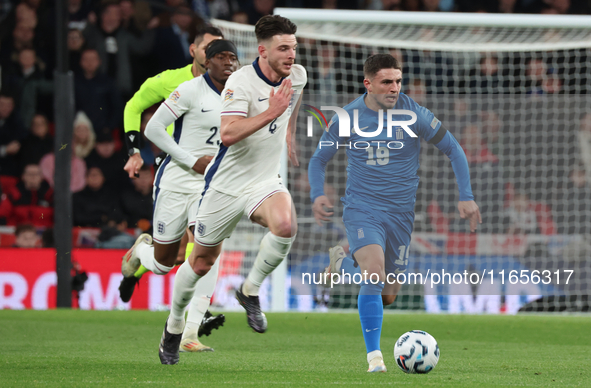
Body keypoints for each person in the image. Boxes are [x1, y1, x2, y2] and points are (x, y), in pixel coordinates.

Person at [308, 54, 481, 372]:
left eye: (398, 81)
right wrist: (318, 194)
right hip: (363, 209)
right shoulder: (347, 117)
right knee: (373, 274)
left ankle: (340, 261)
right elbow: (319, 159)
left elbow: (453, 149)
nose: (395, 88)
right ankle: (375, 359)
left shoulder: (415, 113)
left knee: (388, 295)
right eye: (387, 82)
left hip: (401, 215)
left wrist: (466, 196)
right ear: (368, 83)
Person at [157, 15, 306, 365]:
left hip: (264, 181)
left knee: (286, 226)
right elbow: (228, 133)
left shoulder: (296, 76)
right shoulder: (239, 82)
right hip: (225, 185)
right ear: (263, 50)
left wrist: (288, 131)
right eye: (283, 49)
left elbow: (293, 100)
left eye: (294, 48)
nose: (291, 55)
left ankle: (249, 291)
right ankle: (174, 327)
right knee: (201, 262)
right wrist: (273, 112)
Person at [121, 39, 239, 355]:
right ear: (203, 58)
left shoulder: (241, 94)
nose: (228, 63)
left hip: (212, 186)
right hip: (176, 178)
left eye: (233, 58)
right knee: (164, 263)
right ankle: (140, 254)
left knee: (208, 251)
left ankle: (187, 331)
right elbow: (153, 128)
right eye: (221, 57)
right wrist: (189, 160)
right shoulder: (185, 88)